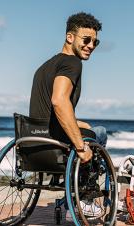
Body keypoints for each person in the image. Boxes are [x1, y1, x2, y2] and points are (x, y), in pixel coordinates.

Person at [29, 12, 106, 164]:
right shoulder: (73, 63)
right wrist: (81, 147)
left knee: (88, 127)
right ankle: (90, 179)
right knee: (101, 132)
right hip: (56, 141)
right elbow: (59, 100)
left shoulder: (44, 67)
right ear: (70, 37)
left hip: (35, 139)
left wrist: (81, 124)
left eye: (95, 42)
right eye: (86, 40)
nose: (90, 46)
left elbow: (48, 113)